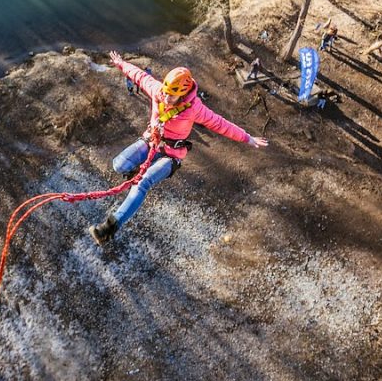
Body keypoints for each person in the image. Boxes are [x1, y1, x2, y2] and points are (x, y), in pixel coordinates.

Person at [88, 51, 269, 244]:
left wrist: (247, 137)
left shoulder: (194, 109)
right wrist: (121, 63)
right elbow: (139, 76)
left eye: (171, 96)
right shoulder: (158, 91)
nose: (165, 98)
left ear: (182, 94)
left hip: (171, 154)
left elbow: (220, 124)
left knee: (143, 183)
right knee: (118, 165)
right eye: (165, 92)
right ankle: (136, 171)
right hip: (151, 142)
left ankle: (109, 229)